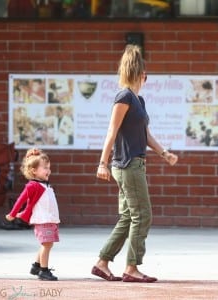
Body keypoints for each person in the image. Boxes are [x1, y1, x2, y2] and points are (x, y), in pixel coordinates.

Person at [91, 45, 178, 283]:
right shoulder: (124, 96)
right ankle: (131, 268)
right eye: (144, 73)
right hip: (127, 165)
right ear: (142, 74)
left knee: (129, 217)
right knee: (143, 214)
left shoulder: (139, 100)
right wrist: (102, 163)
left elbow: (146, 134)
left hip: (134, 164)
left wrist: (164, 153)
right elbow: (112, 130)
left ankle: (102, 263)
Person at [6, 148, 60, 281]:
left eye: (49, 167)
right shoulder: (33, 186)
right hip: (42, 220)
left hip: (49, 219)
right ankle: (43, 271)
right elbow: (21, 200)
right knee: (46, 244)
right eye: (45, 168)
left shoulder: (45, 185)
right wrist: (12, 214)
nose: (48, 170)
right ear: (34, 171)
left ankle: (36, 266)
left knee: (47, 244)